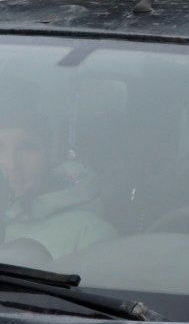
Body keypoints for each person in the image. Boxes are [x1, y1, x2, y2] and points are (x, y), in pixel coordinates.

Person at [0, 101, 114, 261]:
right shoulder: (8, 215)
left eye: (27, 148)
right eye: (0, 148)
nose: (11, 164)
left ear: (52, 155)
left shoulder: (90, 231)